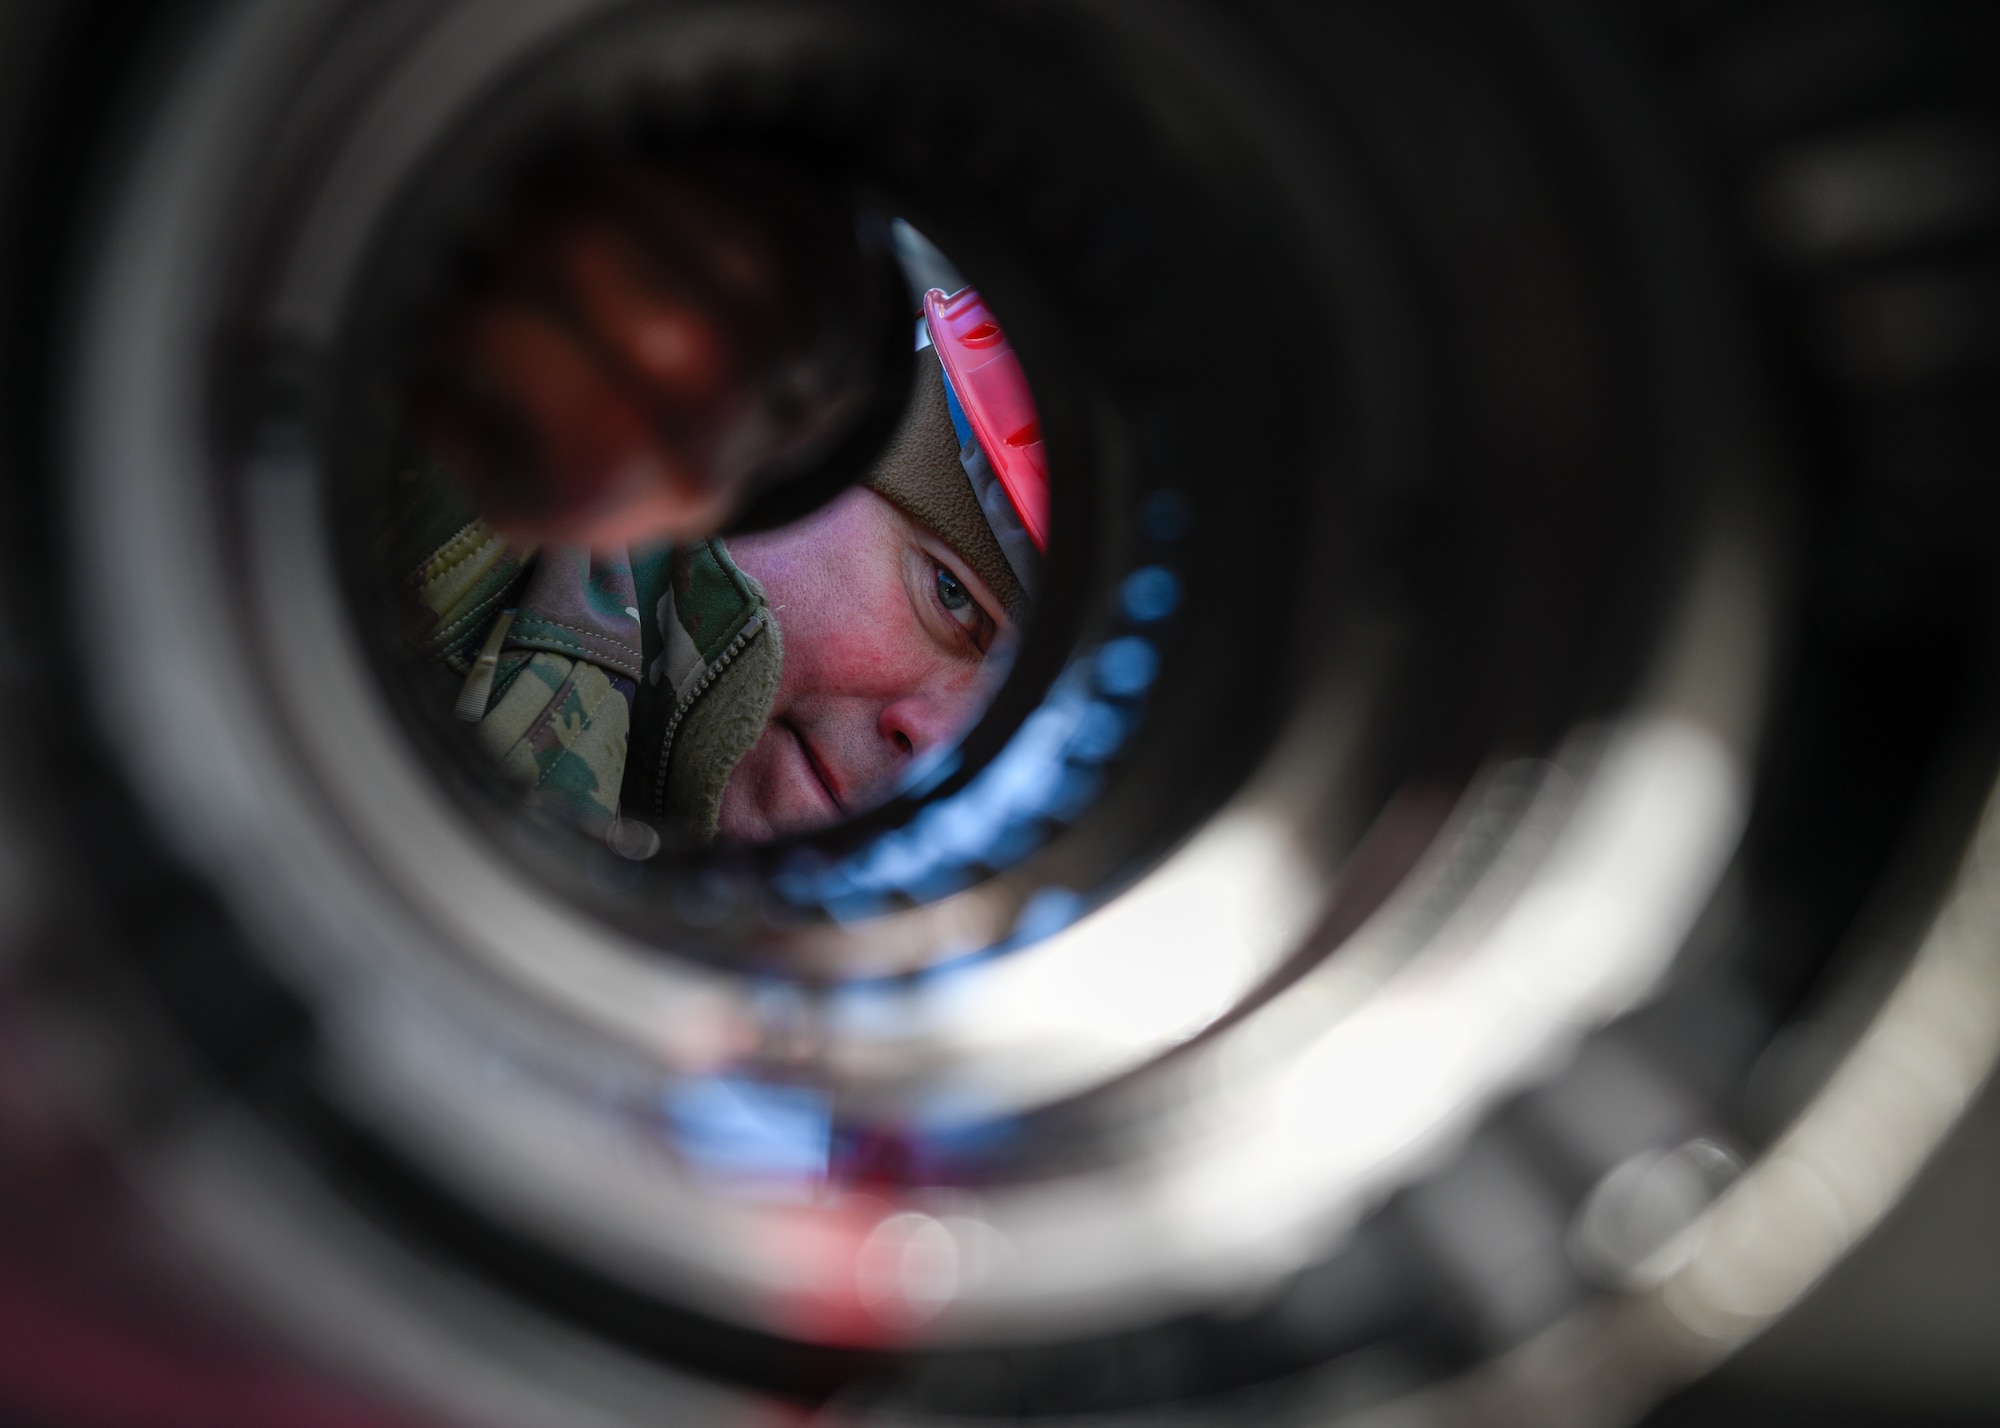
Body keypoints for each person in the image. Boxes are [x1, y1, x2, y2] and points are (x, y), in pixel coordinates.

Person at [392, 284, 1047, 847]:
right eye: (951, 595)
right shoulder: (450, 505)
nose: (937, 743)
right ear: (804, 456)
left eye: (1019, 714)